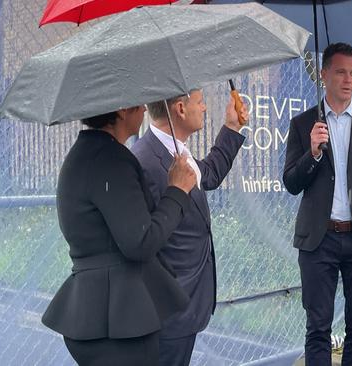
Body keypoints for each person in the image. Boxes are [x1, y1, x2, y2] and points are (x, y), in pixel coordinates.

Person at [42, 106, 197, 365]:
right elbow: (140, 242)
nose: (145, 110)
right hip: (120, 322)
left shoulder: (84, 154)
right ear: (124, 110)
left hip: (95, 313)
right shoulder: (111, 159)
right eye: (140, 104)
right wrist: (177, 190)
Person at [282, 42, 352, 366]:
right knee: (317, 328)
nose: (348, 79)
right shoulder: (304, 125)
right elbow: (291, 183)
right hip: (319, 241)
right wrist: (312, 153)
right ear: (324, 74)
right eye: (341, 72)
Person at [131, 90, 247, 366]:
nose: (205, 108)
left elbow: (206, 175)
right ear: (181, 109)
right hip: (166, 312)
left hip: (185, 307)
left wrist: (232, 127)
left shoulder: (175, 150)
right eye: (200, 101)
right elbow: (144, 239)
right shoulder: (144, 161)